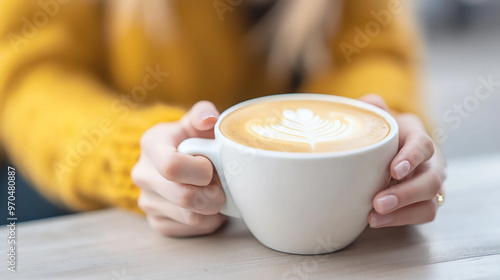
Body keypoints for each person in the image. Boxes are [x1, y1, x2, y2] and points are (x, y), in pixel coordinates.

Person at [0, 0, 446, 237]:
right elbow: (27, 75)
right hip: (71, 193)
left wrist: (385, 127)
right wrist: (128, 150)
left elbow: (369, 51)